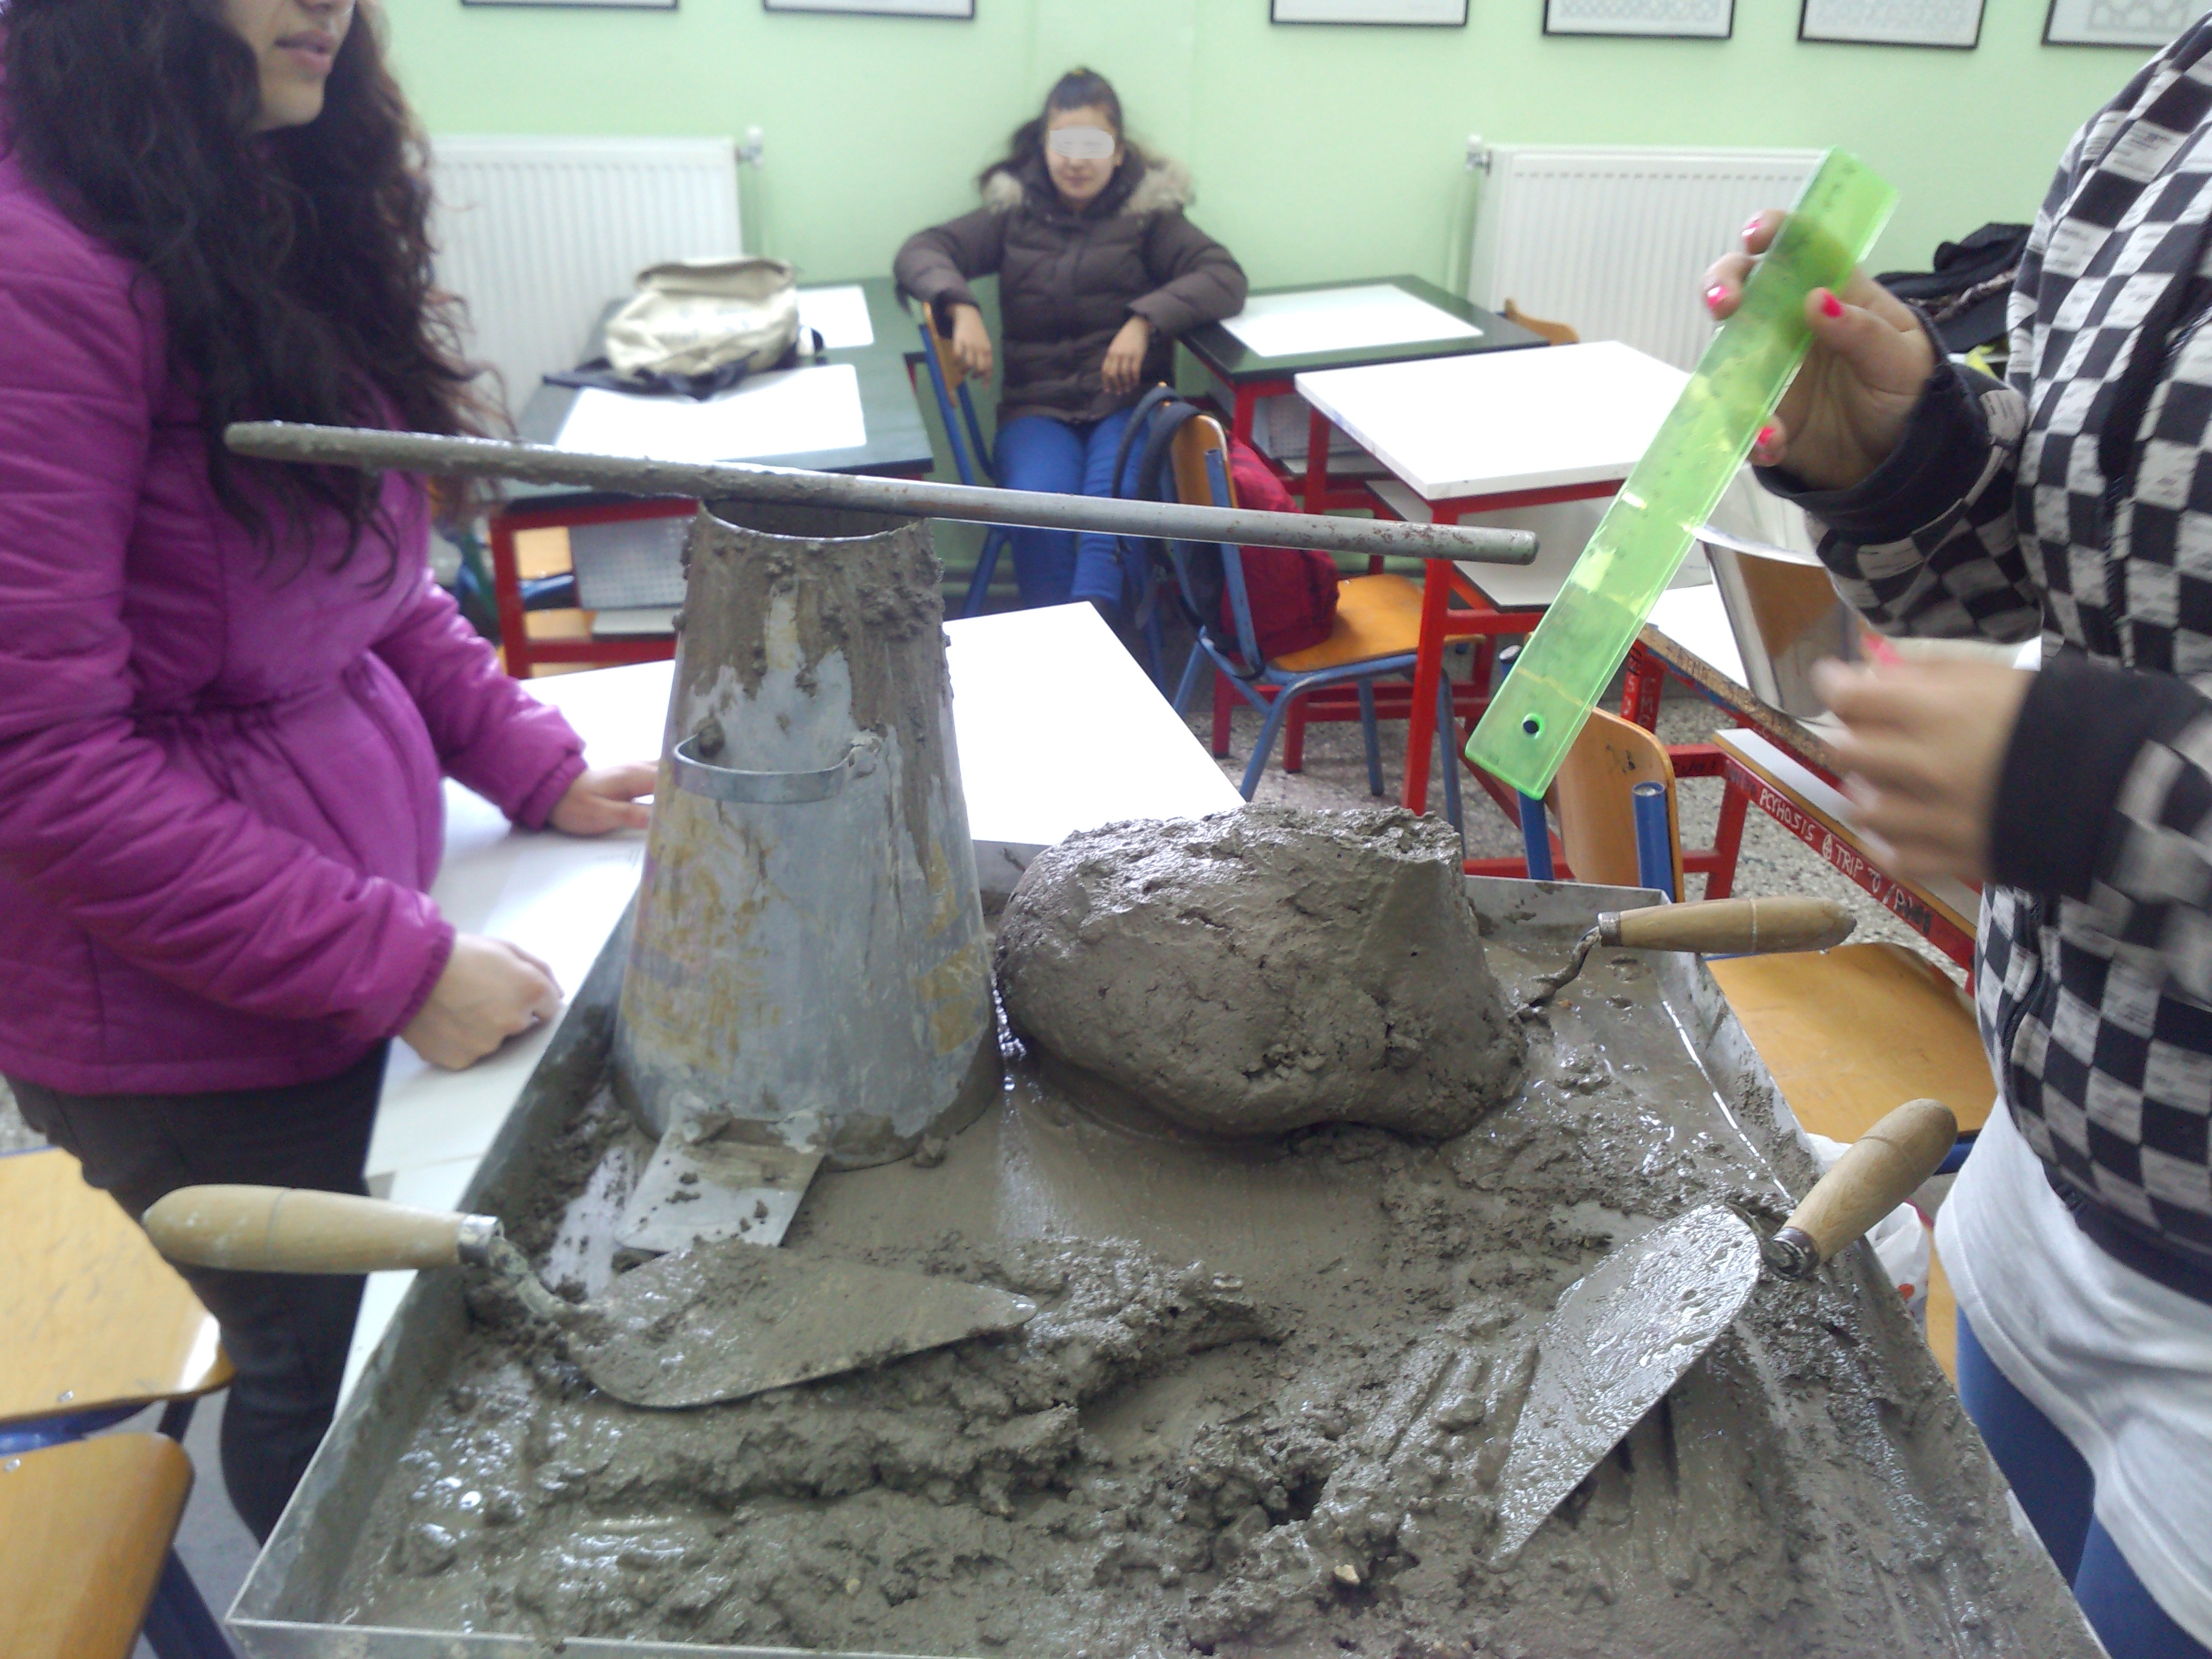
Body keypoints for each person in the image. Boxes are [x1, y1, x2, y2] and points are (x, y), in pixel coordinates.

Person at [0, 0, 653, 1540]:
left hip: (324, 938)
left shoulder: (236, 196)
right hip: (180, 1022)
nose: (332, 4)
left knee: (407, 1322)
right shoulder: (40, 280)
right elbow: (40, 766)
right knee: (339, 1375)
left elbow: (356, 576)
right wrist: (388, 963)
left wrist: (527, 759)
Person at [1706, 25, 2212, 1658]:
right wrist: (1915, 460)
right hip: (2044, 1177)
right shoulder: (2174, 96)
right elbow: (2091, 569)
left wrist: (2110, 787)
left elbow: (2116, 737)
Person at [894, 68, 1247, 624]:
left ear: (1118, 151)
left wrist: (1145, 321)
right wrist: (959, 304)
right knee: (1041, 507)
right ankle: (1058, 635)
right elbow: (921, 251)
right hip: (1037, 411)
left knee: (1114, 503)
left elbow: (1224, 277)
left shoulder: (1148, 217)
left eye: (1093, 144)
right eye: (1064, 144)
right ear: (1044, 146)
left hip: (1126, 407)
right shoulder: (1014, 214)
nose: (1077, 161)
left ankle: (1093, 628)